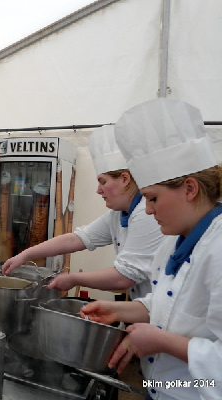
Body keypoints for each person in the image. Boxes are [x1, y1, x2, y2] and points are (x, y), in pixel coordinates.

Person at [82, 98, 222, 400]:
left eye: (153, 199)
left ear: (190, 188)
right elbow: (164, 303)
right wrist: (117, 309)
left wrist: (162, 342)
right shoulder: (174, 239)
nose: (146, 210)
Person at [2, 125, 164, 300]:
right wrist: (24, 255)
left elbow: (124, 277)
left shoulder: (146, 214)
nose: (98, 190)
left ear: (125, 179)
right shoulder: (117, 215)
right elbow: (76, 239)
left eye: (103, 182)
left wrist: (73, 279)